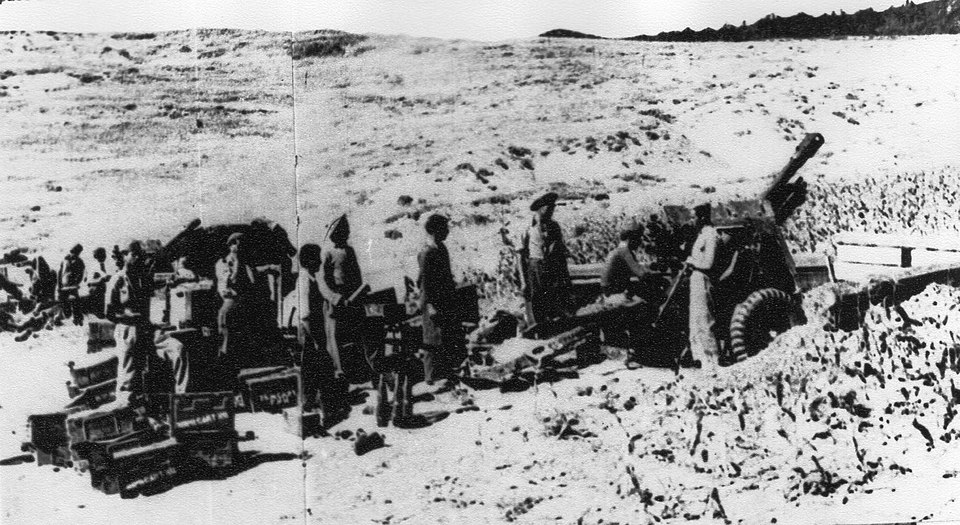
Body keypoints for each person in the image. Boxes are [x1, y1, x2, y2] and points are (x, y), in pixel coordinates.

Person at [685, 203, 735, 371]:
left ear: (702, 218)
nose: (691, 220)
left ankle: (712, 360)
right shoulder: (702, 234)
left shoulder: (710, 235)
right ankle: (700, 358)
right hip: (696, 279)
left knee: (704, 320)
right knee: (696, 321)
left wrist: (692, 262)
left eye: (693, 217)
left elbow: (708, 263)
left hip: (702, 279)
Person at [417, 214, 464, 386]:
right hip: (432, 301)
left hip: (444, 298)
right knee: (432, 338)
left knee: (444, 335)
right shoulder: (427, 252)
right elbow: (424, 282)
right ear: (435, 230)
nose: (448, 231)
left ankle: (444, 372)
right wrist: (430, 306)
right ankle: (431, 377)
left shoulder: (441, 248)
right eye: (445, 228)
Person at [317, 215, 364, 382]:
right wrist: (335, 298)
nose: (347, 234)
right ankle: (339, 371)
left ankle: (356, 370)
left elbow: (357, 275)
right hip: (335, 301)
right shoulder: (327, 253)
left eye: (347, 231)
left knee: (354, 333)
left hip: (352, 298)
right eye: (344, 232)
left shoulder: (350, 251)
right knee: (335, 336)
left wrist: (359, 292)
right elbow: (322, 282)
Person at [520, 192, 572, 328]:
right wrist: (523, 281)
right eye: (549, 209)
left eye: (552, 209)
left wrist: (564, 273)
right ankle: (540, 328)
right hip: (535, 266)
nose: (551, 213)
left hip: (552, 266)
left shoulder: (554, 226)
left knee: (553, 297)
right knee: (537, 299)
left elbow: (560, 250)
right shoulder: (527, 227)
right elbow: (521, 255)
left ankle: (554, 326)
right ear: (541, 209)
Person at [600, 225, 648, 297]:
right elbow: (639, 272)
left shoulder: (617, 250)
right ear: (630, 239)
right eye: (637, 239)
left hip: (608, 287)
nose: (639, 243)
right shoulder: (625, 251)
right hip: (613, 289)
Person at [57, 244, 86, 325]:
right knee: (64, 303)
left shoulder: (79, 261)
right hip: (63, 286)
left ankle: (78, 319)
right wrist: (59, 285)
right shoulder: (64, 260)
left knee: (76, 302)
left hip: (72, 286)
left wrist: (76, 283)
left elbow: (81, 274)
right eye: (73, 252)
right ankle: (65, 316)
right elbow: (59, 273)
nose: (74, 254)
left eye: (76, 253)